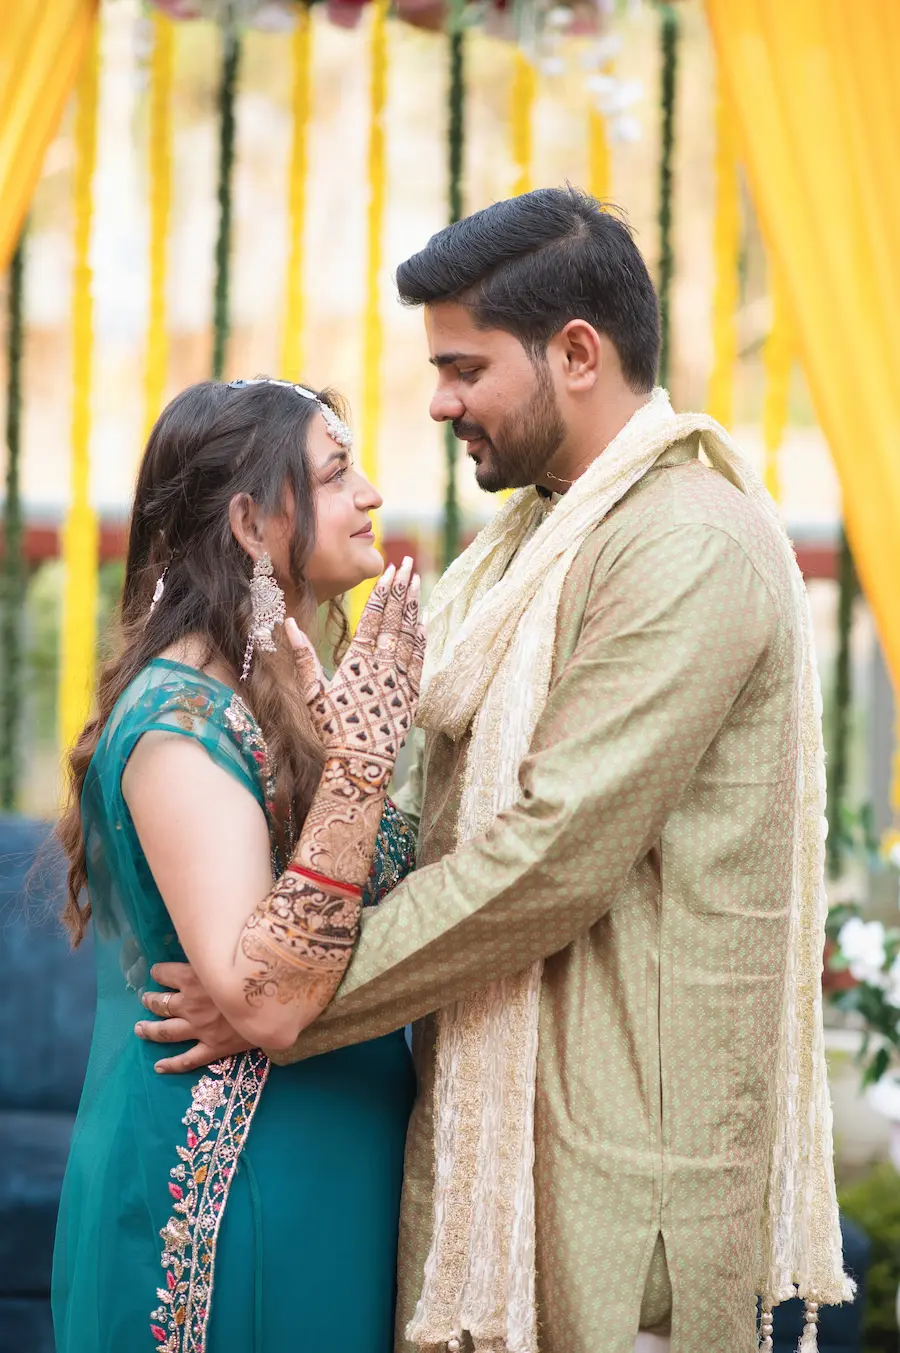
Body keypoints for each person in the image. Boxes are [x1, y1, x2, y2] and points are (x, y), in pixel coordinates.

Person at [139, 189, 852, 1353]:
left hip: (626, 1187)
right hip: (494, 1148)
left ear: (577, 352)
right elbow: (417, 805)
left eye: (464, 367)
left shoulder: (686, 543)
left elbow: (546, 858)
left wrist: (284, 1002)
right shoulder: (525, 545)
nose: (438, 402)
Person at [52, 376, 425, 1353]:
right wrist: (361, 766)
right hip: (223, 1203)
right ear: (253, 523)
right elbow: (263, 995)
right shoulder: (179, 726)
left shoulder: (284, 697)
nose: (373, 494)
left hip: (318, 1178)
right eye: (338, 473)